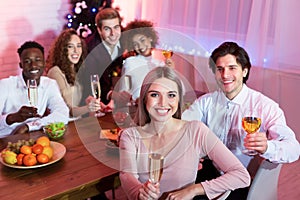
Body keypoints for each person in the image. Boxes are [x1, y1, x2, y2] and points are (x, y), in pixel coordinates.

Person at [182, 41, 300, 198]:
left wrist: (267, 147)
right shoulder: (206, 102)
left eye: (232, 68)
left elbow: (293, 149)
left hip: (243, 181)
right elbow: (181, 128)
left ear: (244, 71)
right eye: (220, 69)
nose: (225, 75)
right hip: (212, 172)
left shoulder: (265, 106)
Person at [119, 66, 250, 200]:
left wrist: (193, 190)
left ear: (178, 99)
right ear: (144, 98)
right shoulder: (130, 136)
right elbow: (127, 176)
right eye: (154, 95)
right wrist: (140, 192)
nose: (163, 103)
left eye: (171, 95)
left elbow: (241, 175)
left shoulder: (196, 131)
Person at [0, 41, 69, 138]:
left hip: (33, 137)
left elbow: (62, 113)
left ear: (44, 63)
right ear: (21, 65)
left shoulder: (49, 84)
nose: (33, 65)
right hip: (5, 140)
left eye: (38, 60)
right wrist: (13, 118)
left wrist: (28, 126)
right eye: (27, 61)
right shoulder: (5, 85)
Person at [116, 19, 174, 104]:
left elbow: (177, 91)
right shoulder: (130, 63)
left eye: (142, 40)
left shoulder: (160, 64)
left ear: (150, 38)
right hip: (138, 108)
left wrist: (171, 71)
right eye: (135, 44)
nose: (140, 46)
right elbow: (123, 93)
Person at [46, 28, 100, 118]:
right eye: (70, 46)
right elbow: (67, 111)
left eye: (79, 46)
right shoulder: (55, 72)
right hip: (63, 125)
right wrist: (88, 108)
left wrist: (92, 103)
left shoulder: (77, 70)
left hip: (78, 123)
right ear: (63, 50)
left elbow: (80, 105)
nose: (76, 50)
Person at [79, 7, 125, 106]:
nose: (113, 34)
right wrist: (111, 94)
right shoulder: (89, 50)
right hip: (98, 101)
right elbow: (90, 82)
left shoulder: (126, 40)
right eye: (107, 29)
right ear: (99, 30)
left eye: (116, 27)